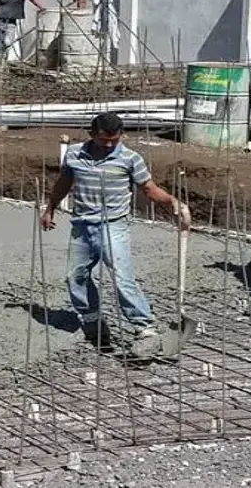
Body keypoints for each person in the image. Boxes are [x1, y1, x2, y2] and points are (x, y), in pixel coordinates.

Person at [41, 112, 191, 347]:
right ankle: (93, 323)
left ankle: (145, 327)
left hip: (113, 225)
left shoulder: (130, 159)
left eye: (114, 140)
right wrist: (50, 208)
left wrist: (172, 202)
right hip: (82, 225)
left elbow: (149, 188)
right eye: (104, 140)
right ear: (92, 134)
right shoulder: (74, 154)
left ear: (121, 135)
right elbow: (64, 182)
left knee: (122, 277)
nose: (109, 145)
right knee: (75, 277)